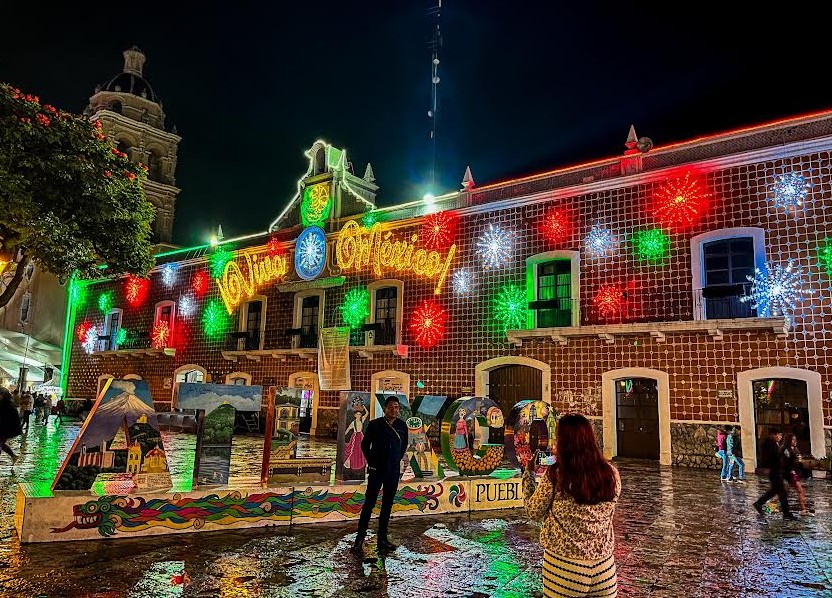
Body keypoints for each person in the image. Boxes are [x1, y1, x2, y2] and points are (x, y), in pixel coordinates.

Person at [523, 413, 621, 597]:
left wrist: (528, 475)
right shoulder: (612, 474)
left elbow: (533, 511)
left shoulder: (557, 475)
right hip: (605, 570)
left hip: (565, 570)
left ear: (564, 442)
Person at [350, 395, 408, 555]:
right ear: (385, 409)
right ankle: (359, 539)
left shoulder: (403, 426)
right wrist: (372, 462)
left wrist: (395, 460)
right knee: (369, 504)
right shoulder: (375, 425)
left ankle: (382, 538)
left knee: (387, 505)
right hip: (377, 471)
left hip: (393, 472)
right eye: (391, 407)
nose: (394, 410)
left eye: (396, 407)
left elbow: (403, 446)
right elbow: (364, 444)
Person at [753, 427, 796, 521]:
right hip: (775, 470)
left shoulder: (775, 444)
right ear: (773, 435)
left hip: (777, 470)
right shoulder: (768, 444)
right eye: (778, 434)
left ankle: (759, 503)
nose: (779, 437)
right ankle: (786, 513)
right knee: (781, 492)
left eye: (780, 435)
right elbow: (770, 458)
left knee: (775, 491)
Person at [782, 433, 813, 516]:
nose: (795, 441)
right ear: (789, 440)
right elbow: (786, 461)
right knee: (800, 490)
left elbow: (798, 460)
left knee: (785, 491)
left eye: (795, 439)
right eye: (793, 439)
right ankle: (803, 509)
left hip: (795, 472)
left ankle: (803, 510)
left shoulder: (795, 449)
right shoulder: (786, 450)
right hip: (790, 473)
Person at [0, 388, 22, 464]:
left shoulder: (9, 406)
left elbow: (12, 420)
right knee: (2, 444)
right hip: (3, 429)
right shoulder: (3, 404)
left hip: (5, 429)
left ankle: (13, 456)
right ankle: (13, 456)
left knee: (1, 444)